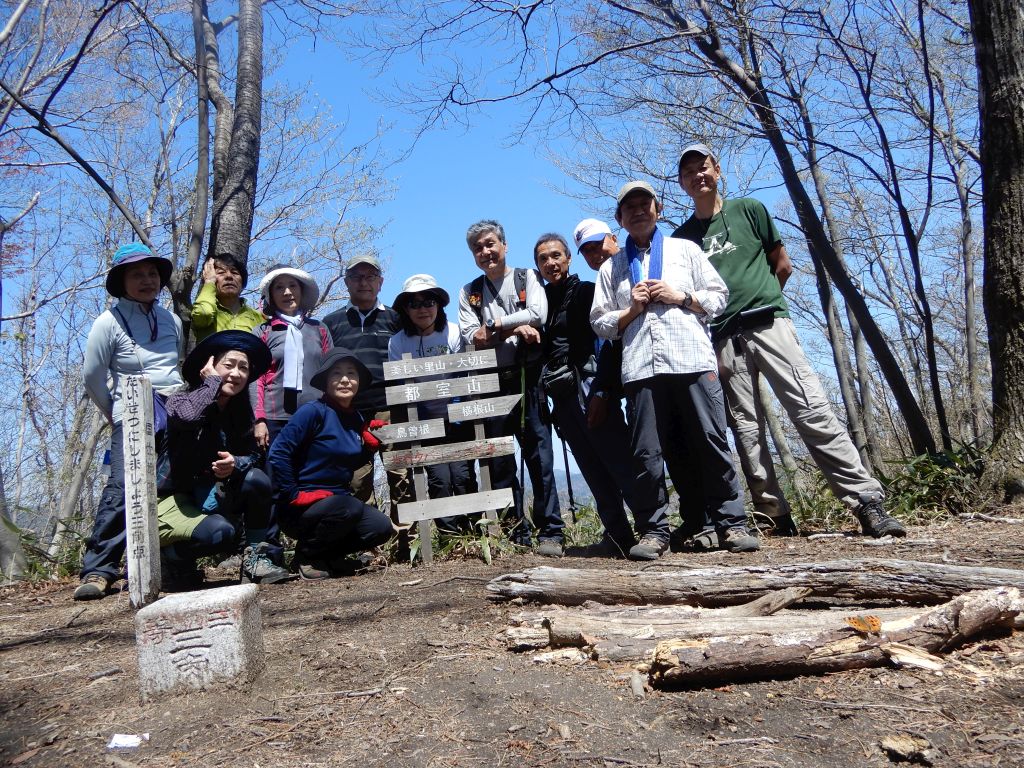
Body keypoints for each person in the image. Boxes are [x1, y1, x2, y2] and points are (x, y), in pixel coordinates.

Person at [673, 143, 905, 539]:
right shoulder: (683, 239)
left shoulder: (749, 210)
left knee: (811, 409)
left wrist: (765, 299)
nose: (699, 175)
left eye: (705, 166)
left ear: (718, 169)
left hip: (770, 325)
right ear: (681, 184)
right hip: (723, 339)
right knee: (746, 429)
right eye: (690, 171)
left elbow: (781, 264)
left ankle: (866, 502)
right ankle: (773, 515)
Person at [591, 180, 760, 557]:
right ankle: (654, 532)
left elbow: (718, 296)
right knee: (646, 453)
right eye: (629, 207)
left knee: (711, 440)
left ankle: (731, 524)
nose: (638, 211)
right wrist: (630, 311)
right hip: (640, 368)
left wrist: (681, 296)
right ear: (619, 219)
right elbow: (600, 323)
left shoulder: (687, 250)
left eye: (644, 204)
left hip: (692, 360)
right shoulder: (611, 269)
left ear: (658, 209)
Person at [535, 231, 671, 558]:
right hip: (562, 393)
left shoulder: (587, 292)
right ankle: (617, 535)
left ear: (568, 259)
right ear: (537, 266)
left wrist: (604, 391)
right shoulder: (539, 303)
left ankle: (653, 530)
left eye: (557, 255)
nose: (551, 262)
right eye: (543, 258)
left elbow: (610, 344)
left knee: (618, 459)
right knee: (591, 466)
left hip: (590, 383)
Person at [76, 243, 185, 601]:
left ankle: (172, 565)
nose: (147, 280)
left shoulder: (171, 319)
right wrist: (115, 412)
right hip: (133, 414)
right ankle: (99, 569)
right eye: (137, 274)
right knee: (123, 487)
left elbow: (175, 365)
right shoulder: (108, 322)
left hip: (175, 411)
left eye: (152, 273)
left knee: (171, 486)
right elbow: (93, 375)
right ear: (121, 281)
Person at [457, 220, 564, 557]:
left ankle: (551, 533)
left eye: (490, 244)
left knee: (539, 455)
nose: (485, 252)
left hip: (528, 378)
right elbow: (471, 339)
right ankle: (515, 533)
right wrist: (518, 329)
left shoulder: (526, 278)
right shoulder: (469, 292)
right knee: (500, 460)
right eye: (478, 248)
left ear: (504, 245)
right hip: (491, 382)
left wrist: (498, 325)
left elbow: (538, 314)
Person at [157, 331, 292, 589]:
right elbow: (187, 418)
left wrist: (235, 464)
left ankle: (254, 559)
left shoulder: (239, 414)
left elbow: (253, 455)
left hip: (209, 496)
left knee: (258, 480)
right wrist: (211, 384)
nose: (237, 373)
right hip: (172, 499)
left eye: (244, 368)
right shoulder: (180, 399)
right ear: (209, 367)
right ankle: (166, 559)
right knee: (219, 534)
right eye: (228, 365)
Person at [267, 348, 395, 579]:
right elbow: (278, 453)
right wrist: (293, 494)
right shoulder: (312, 412)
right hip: (301, 507)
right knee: (350, 507)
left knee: (380, 527)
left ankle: (330, 557)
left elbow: (345, 461)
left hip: (337, 504)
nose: (345, 379)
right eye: (336, 373)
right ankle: (307, 557)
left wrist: (367, 447)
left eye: (351, 373)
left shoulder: (355, 419)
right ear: (326, 381)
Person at [388, 274, 478, 535]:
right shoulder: (397, 342)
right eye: (414, 304)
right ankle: (450, 535)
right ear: (405, 309)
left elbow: (464, 375)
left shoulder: (453, 332)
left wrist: (458, 408)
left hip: (458, 417)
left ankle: (471, 532)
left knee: (462, 476)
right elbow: (402, 388)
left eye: (428, 302)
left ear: (438, 304)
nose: (422, 309)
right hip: (426, 424)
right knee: (439, 478)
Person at [322, 256, 409, 521]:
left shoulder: (396, 319)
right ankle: (368, 543)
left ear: (380, 283)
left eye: (370, 276)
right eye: (357, 276)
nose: (364, 282)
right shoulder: (332, 322)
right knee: (357, 482)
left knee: (401, 476)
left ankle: (406, 542)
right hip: (350, 414)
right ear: (346, 282)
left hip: (390, 408)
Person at [252, 265, 334, 448]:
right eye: (279, 287)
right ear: (271, 295)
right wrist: (259, 420)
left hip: (317, 414)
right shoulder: (263, 332)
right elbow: (256, 379)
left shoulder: (319, 329)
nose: (287, 292)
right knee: (279, 474)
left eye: (292, 286)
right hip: (275, 418)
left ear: (301, 291)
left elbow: (331, 374)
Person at [191, 253, 265, 341]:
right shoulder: (207, 308)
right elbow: (203, 314)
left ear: (242, 282)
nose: (229, 276)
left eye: (234, 272)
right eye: (221, 273)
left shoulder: (258, 317)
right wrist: (209, 282)